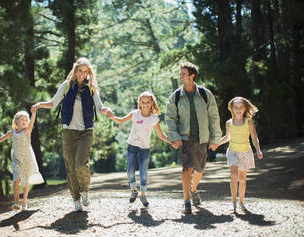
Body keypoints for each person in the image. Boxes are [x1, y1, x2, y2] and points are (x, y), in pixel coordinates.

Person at [31, 57, 112, 211]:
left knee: (81, 163)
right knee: (70, 165)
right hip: (69, 131)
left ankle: (85, 189)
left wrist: (106, 110)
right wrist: (39, 105)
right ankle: (76, 199)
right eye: (79, 71)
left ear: (89, 73)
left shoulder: (92, 88)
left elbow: (99, 107)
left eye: (85, 71)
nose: (82, 74)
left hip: (86, 132)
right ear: (75, 71)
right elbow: (53, 103)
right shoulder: (66, 86)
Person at [165, 61, 222, 214]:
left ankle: (194, 189)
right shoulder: (176, 96)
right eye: (180, 74)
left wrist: (216, 138)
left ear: (192, 76)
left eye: (183, 74)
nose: (180, 77)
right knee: (186, 169)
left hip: (202, 138)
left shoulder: (205, 94)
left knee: (199, 169)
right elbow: (169, 118)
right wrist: (174, 136)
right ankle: (186, 201)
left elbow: (214, 117)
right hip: (185, 139)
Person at [109, 91, 170, 207]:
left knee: (144, 173)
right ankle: (133, 190)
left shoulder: (154, 119)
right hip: (132, 146)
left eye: (148, 102)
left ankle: (143, 194)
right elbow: (121, 120)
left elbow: (161, 135)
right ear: (139, 103)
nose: (145, 104)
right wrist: (112, 117)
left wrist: (172, 142)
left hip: (144, 149)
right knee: (130, 170)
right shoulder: (135, 114)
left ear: (152, 103)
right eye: (143, 102)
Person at [0, 109, 44, 210]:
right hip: (16, 159)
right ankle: (16, 202)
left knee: (26, 181)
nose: (25, 121)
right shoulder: (13, 132)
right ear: (16, 121)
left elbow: (32, 122)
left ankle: (24, 201)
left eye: (27, 119)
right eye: (22, 119)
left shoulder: (27, 131)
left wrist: (33, 113)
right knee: (16, 179)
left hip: (27, 159)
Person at [218, 96, 263, 213]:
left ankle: (241, 202)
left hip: (245, 152)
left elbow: (254, 137)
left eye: (240, 107)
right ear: (232, 109)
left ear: (244, 108)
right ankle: (233, 202)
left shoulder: (248, 122)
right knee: (234, 175)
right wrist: (216, 143)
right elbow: (227, 137)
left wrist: (258, 150)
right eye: (235, 107)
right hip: (233, 151)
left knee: (242, 179)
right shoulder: (229, 123)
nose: (238, 109)